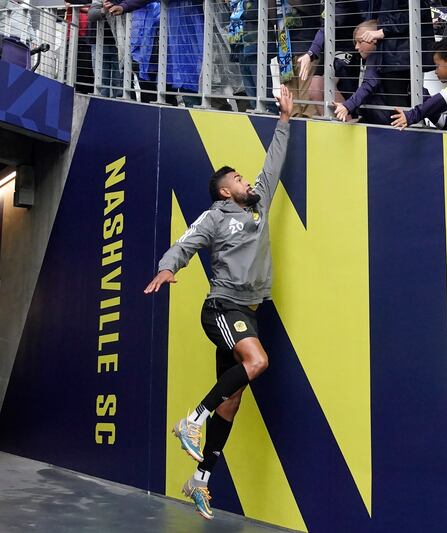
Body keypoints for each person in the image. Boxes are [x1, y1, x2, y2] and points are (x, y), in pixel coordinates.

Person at [144, 86, 293, 520]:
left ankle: (200, 480)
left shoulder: (258, 204)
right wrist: (169, 267)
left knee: (234, 400)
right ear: (225, 192)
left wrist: (284, 121)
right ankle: (192, 417)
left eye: (246, 178)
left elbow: (273, 165)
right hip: (222, 309)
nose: (247, 181)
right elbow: (185, 244)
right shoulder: (214, 217)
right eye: (239, 180)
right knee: (258, 362)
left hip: (248, 312)